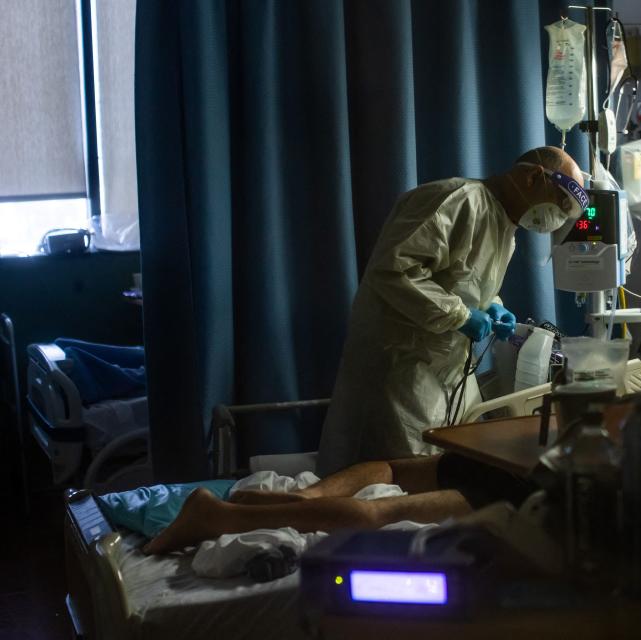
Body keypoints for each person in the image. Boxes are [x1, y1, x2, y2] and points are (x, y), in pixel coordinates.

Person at [317, 146, 588, 476]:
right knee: (392, 477)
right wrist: (461, 316)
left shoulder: (505, 228)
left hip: (447, 369)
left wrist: (492, 306)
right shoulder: (458, 201)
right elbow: (394, 271)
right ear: (533, 177)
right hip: (402, 368)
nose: (558, 218)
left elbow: (466, 281)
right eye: (561, 205)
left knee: (447, 467)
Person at [142, 452, 537, 554]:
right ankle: (221, 518)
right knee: (383, 513)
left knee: (393, 469)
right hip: (524, 483)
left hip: (504, 460)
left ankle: (306, 498)